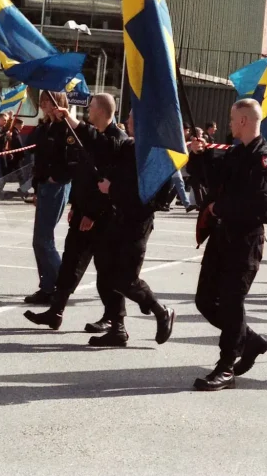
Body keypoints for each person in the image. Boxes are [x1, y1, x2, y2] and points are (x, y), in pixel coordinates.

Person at [187, 99, 267, 391]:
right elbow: (212, 177)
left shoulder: (264, 158)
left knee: (231, 303)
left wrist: (219, 208)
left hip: (244, 241)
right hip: (222, 236)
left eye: (231, 118)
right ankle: (250, 341)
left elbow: (260, 205)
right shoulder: (237, 153)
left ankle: (226, 366)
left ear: (243, 120)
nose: (228, 123)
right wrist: (199, 155)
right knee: (204, 300)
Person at [24, 94, 123, 332]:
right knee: (70, 265)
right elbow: (82, 174)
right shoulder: (90, 135)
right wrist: (76, 207)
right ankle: (55, 312)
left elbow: (107, 184)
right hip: (83, 211)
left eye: (91, 108)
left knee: (106, 272)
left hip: (101, 217)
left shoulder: (116, 139)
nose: (88, 111)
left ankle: (116, 319)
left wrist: (91, 213)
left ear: (101, 110)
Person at [83, 109, 177, 347]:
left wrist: (111, 189)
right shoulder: (129, 147)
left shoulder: (155, 155)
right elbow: (105, 152)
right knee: (105, 271)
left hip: (137, 222)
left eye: (132, 118)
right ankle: (118, 328)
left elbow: (146, 196)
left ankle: (161, 311)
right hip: (119, 217)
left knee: (126, 278)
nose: (126, 121)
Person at [24, 91, 77, 305]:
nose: (44, 104)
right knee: (40, 240)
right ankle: (47, 286)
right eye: (43, 100)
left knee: (44, 239)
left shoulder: (65, 128)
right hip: (44, 185)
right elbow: (36, 155)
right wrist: (37, 187)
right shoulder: (45, 127)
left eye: (48, 100)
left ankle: (60, 285)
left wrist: (57, 178)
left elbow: (72, 160)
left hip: (55, 186)